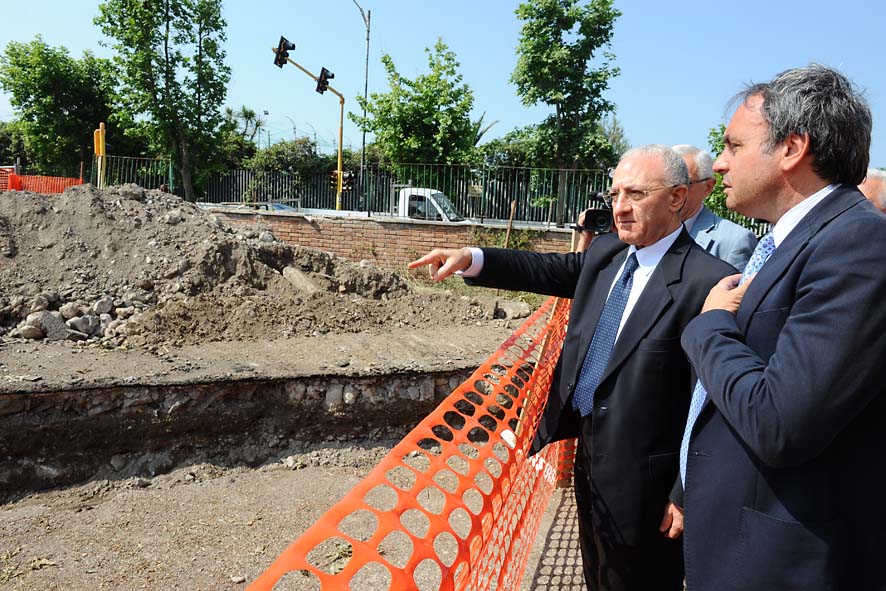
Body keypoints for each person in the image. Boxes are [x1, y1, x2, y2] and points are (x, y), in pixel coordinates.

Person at [409, 145, 734, 591]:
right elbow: (544, 269)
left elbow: (712, 403)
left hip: (648, 483)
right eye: (615, 193)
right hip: (588, 452)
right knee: (596, 570)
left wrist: (684, 493)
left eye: (636, 194)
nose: (620, 207)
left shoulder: (709, 281)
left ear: (678, 198)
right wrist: (471, 257)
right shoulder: (606, 256)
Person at [678, 64, 886, 590]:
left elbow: (779, 422)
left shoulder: (857, 246)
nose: (719, 165)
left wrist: (708, 328)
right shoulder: (795, 240)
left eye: (732, 146)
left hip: (783, 564)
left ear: (792, 148)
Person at [671, 144, 757, 269]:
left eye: (685, 183)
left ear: (708, 187)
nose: (673, 191)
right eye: (667, 182)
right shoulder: (647, 233)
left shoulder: (734, 241)